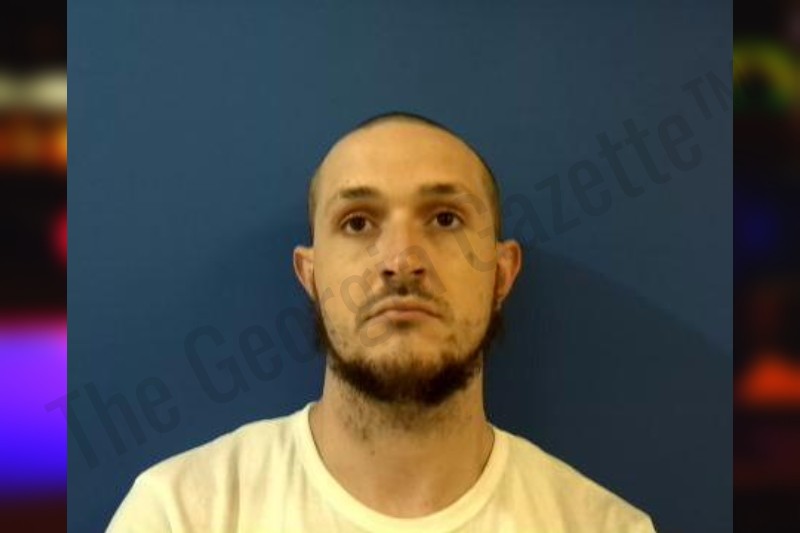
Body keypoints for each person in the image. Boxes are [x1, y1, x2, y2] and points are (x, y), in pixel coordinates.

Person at [107, 112, 657, 532]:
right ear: (311, 276)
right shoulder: (181, 513)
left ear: (501, 274)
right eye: (357, 222)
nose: (401, 259)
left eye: (445, 218)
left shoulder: (603, 526)